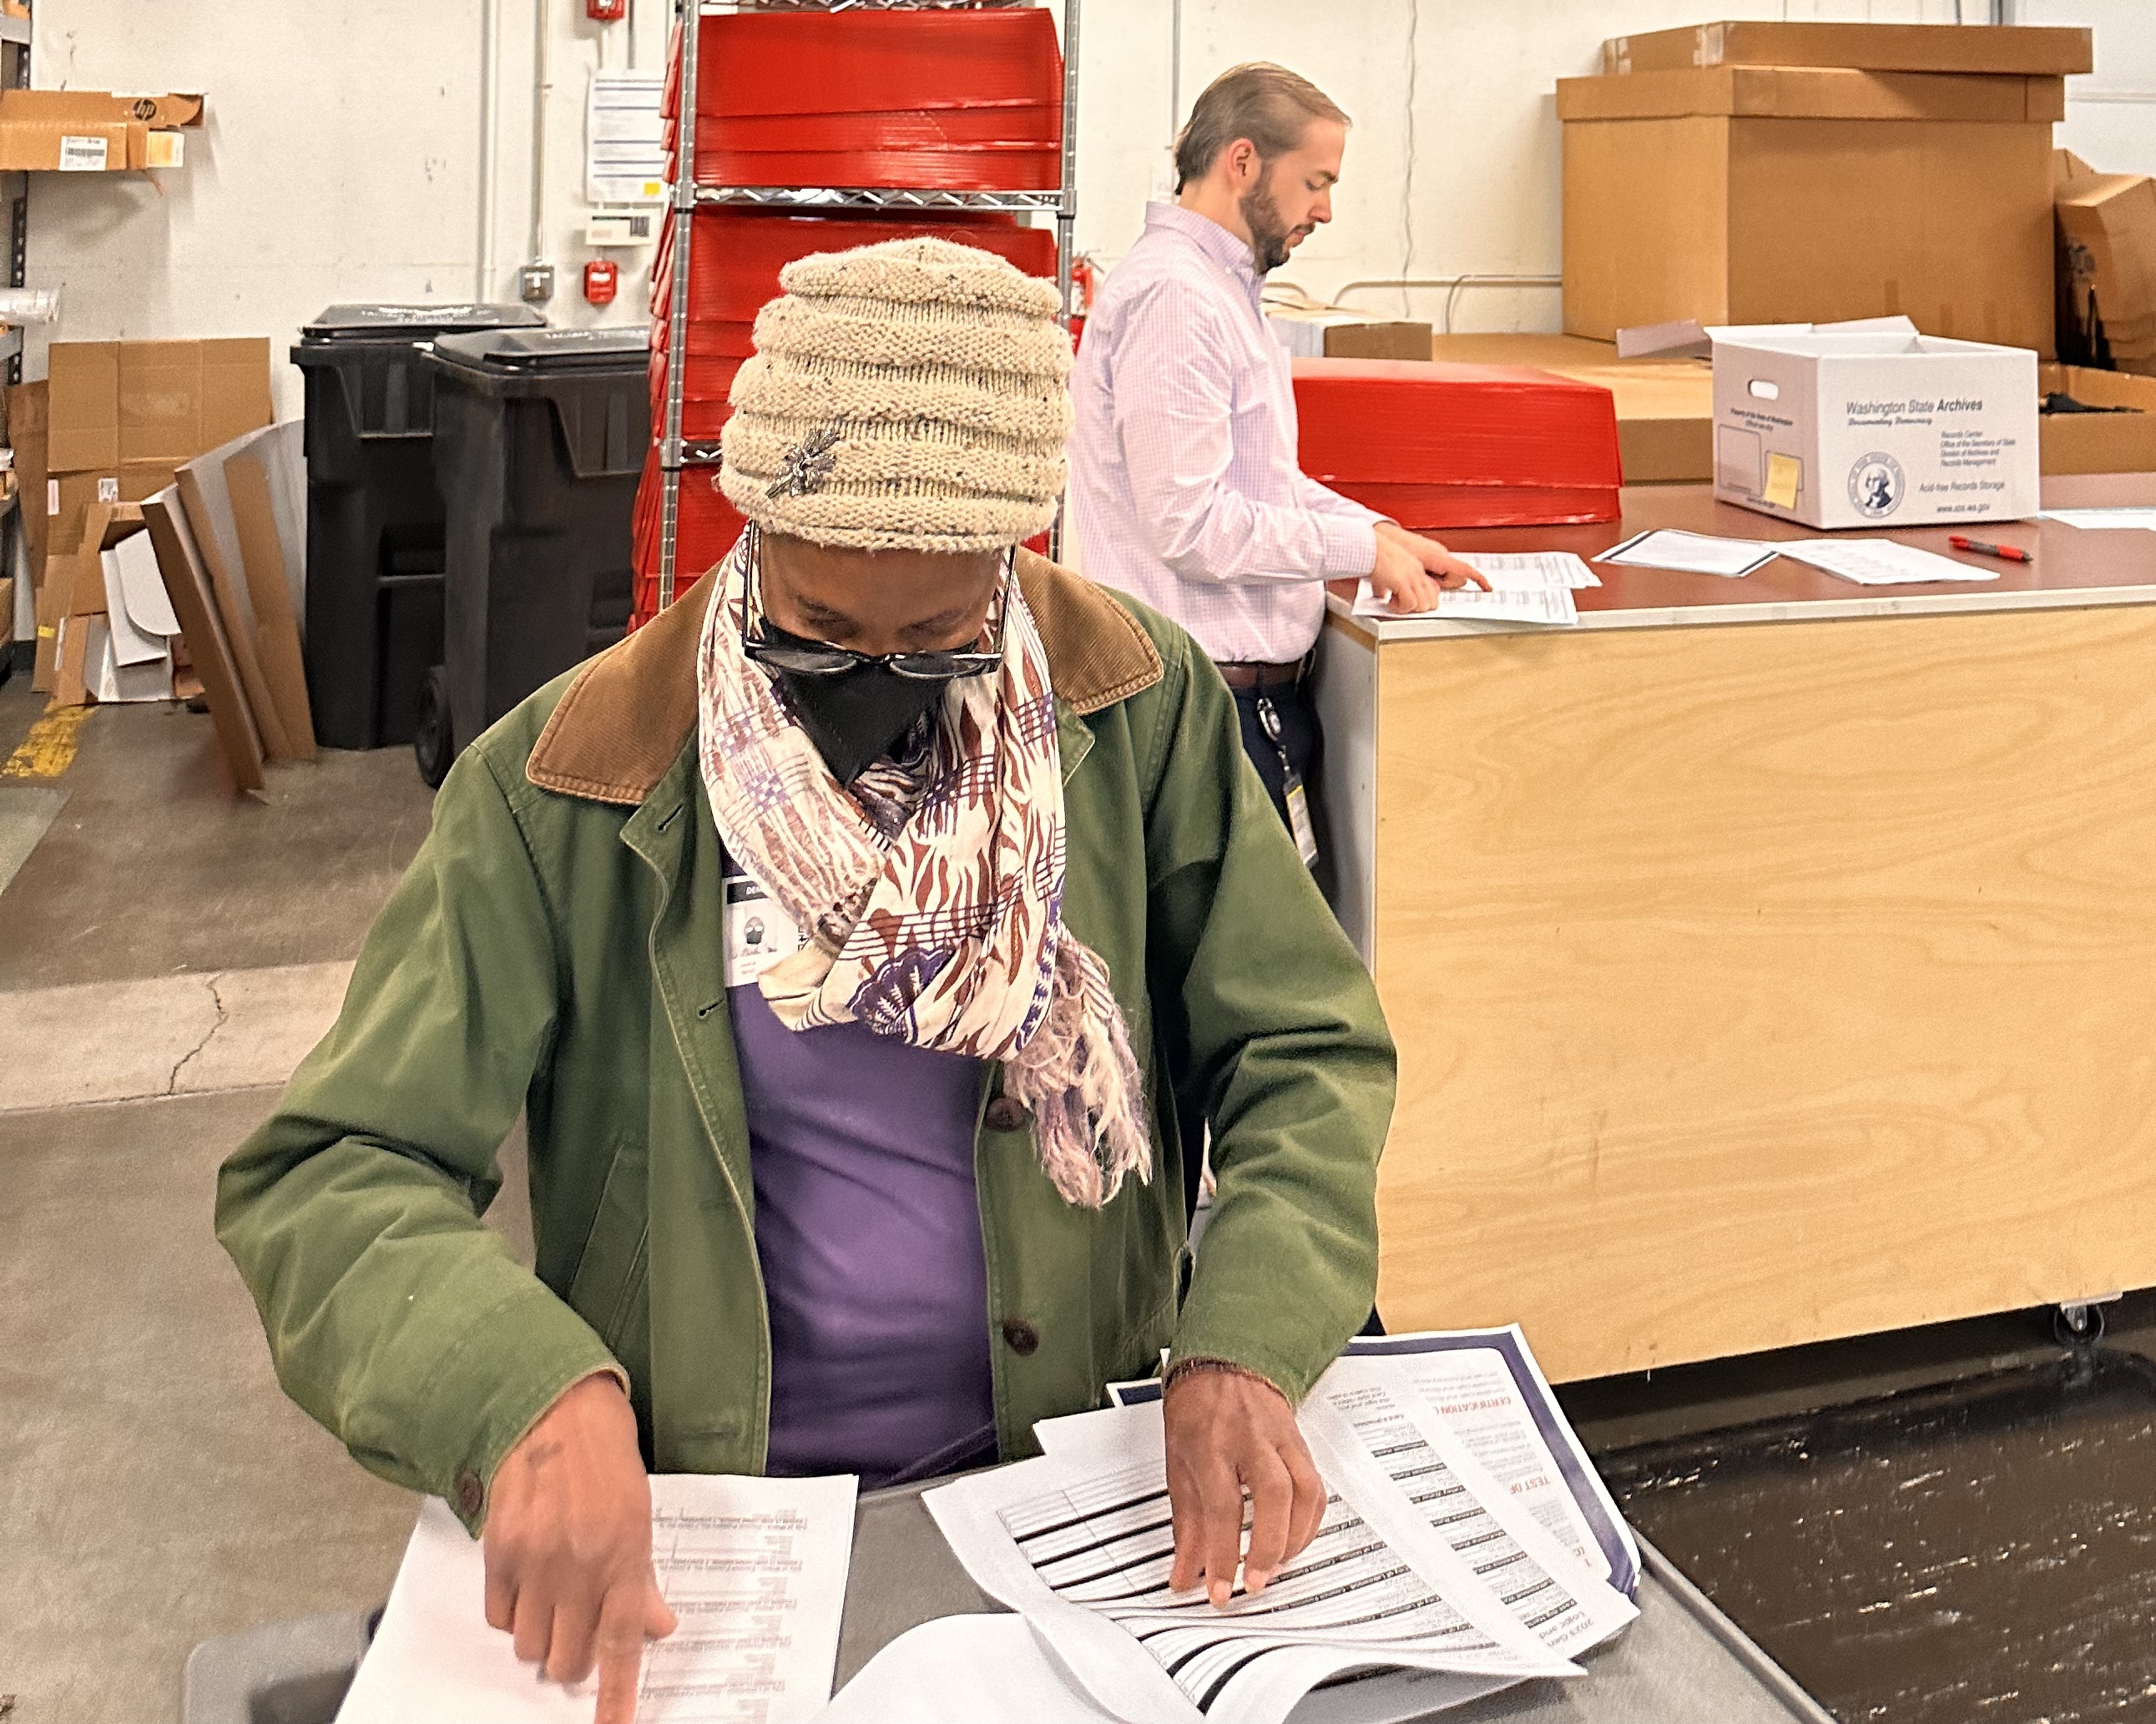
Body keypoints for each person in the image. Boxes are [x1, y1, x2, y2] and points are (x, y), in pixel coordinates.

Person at [218, 239, 1396, 1722]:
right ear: (752, 536)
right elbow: (334, 1170)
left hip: (1069, 1507)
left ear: (1013, 564)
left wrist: (1248, 1333)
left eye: (938, 636)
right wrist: (517, 1389)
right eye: (821, 632)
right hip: (717, 1526)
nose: (876, 678)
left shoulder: (1131, 715)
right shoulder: (573, 781)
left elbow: (1304, 1047)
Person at [1067, 61, 1489, 859]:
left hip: (1239, 714)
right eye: (1315, 182)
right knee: (1237, 978)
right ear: (1244, 162)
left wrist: (1384, 533)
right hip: (1203, 723)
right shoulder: (1178, 299)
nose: (1325, 210)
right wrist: (1360, 551)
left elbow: (1259, 484)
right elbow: (1191, 525)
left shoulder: (1219, 291)